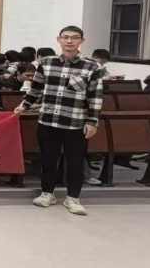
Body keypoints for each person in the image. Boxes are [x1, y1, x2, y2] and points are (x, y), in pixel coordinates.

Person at [16, 25, 103, 217]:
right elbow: (36, 89)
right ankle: (47, 194)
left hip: (76, 122)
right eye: (65, 37)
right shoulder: (46, 63)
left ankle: (73, 198)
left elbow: (95, 97)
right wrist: (24, 106)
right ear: (59, 40)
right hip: (48, 121)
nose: (69, 41)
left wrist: (92, 121)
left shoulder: (92, 67)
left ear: (82, 40)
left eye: (74, 37)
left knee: (75, 162)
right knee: (48, 160)